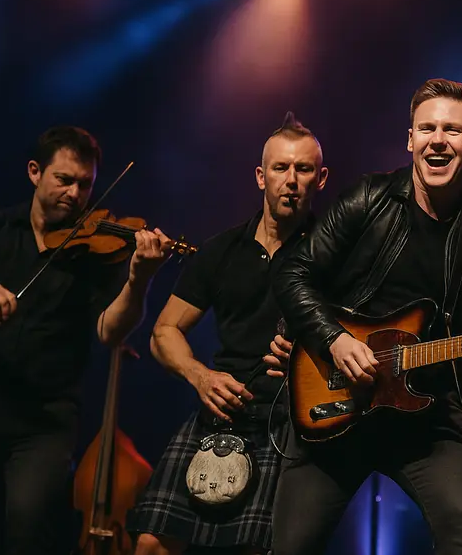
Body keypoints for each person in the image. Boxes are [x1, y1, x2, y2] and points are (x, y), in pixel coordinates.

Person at [265, 78, 462, 555]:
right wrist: (333, 338)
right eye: (427, 128)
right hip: (336, 402)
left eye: (452, 130)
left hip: (429, 419)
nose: (438, 139)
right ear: (410, 139)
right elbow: (292, 272)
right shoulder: (369, 198)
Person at [0, 126, 173, 555]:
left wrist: (140, 278)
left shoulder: (96, 251)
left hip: (45, 420)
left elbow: (111, 331)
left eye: (84, 184)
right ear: (35, 172)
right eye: (64, 180)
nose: (75, 193)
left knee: (28, 526)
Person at [128, 113, 328, 554]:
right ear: (261, 176)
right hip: (220, 412)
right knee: (149, 545)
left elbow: (362, 341)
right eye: (280, 168)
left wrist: (311, 355)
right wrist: (200, 377)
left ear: (321, 178)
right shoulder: (221, 250)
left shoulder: (335, 256)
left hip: (289, 421)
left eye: (303, 169)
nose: (291, 180)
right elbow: (163, 331)